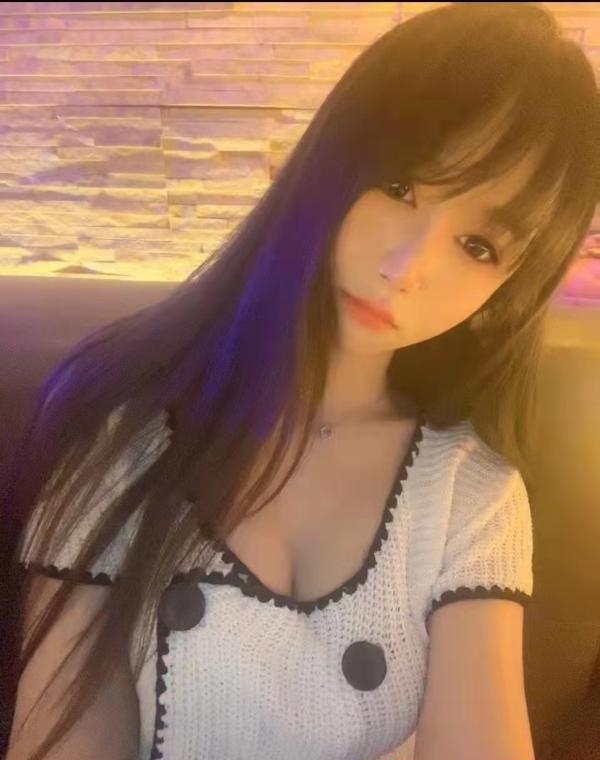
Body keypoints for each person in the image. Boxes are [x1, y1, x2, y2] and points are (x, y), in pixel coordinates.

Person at [1, 3, 598, 760]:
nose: (405, 268)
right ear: (329, 157)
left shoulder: (468, 494)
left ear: (506, 294)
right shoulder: (122, 435)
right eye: (399, 185)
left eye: (478, 245)